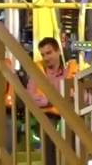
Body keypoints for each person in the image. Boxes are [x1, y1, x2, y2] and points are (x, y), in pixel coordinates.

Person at [26, 37, 77, 165]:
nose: (46, 57)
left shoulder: (70, 71)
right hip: (46, 117)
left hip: (68, 116)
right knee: (48, 128)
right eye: (43, 54)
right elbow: (31, 97)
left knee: (74, 128)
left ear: (58, 51)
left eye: (49, 53)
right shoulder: (37, 73)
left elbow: (81, 95)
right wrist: (52, 100)